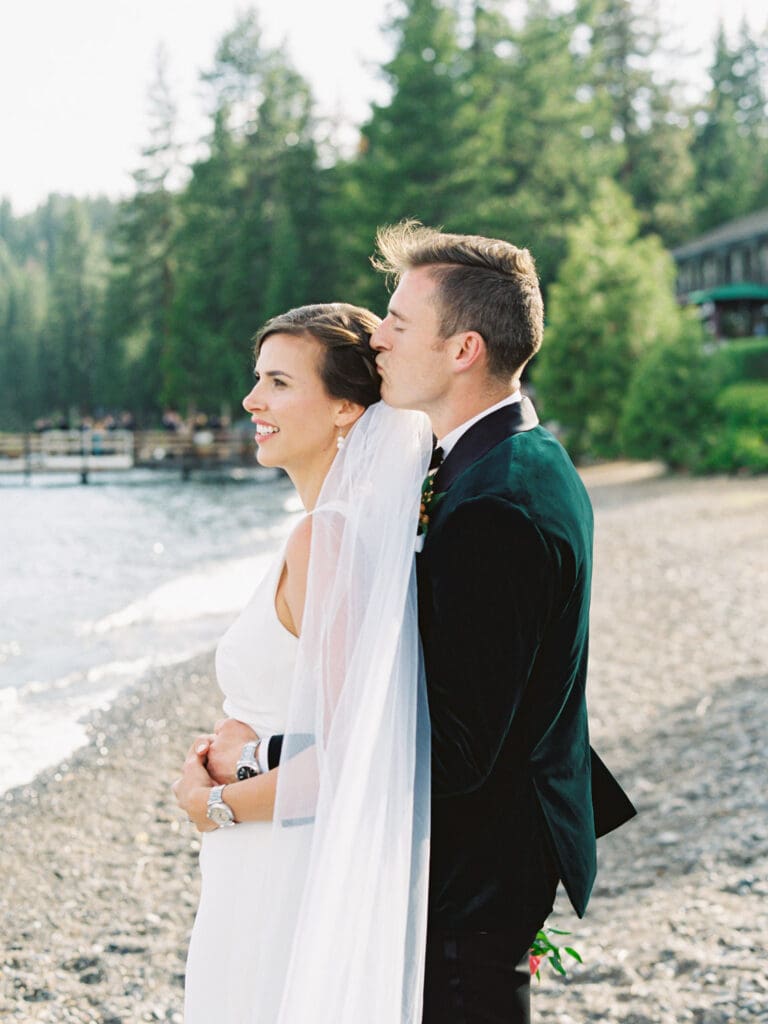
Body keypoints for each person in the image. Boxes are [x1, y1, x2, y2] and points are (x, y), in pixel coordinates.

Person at [211, 223, 636, 1023]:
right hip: (483, 846)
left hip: (476, 862)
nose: (379, 337)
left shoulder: (499, 501)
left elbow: (457, 748)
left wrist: (255, 762)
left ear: (464, 348)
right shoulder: (482, 464)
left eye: (399, 323)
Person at [172, 303, 433, 1023]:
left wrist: (215, 803)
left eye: (280, 383)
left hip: (287, 860)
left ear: (348, 408)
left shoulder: (329, 542)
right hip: (268, 850)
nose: (253, 399)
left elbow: (355, 760)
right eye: (258, 379)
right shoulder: (337, 534)